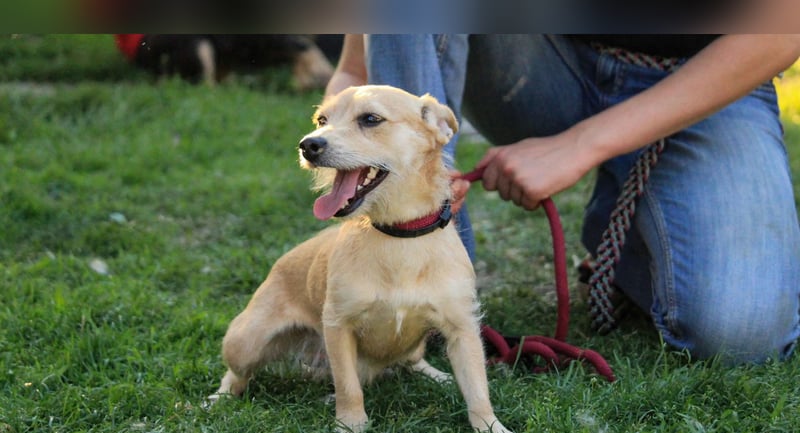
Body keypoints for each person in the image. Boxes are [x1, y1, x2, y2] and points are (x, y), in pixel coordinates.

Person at [324, 34, 800, 365]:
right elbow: (358, 66)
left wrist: (580, 145)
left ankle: (630, 225)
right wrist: (350, 123)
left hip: (711, 75)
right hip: (541, 59)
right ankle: (426, 288)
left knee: (740, 335)